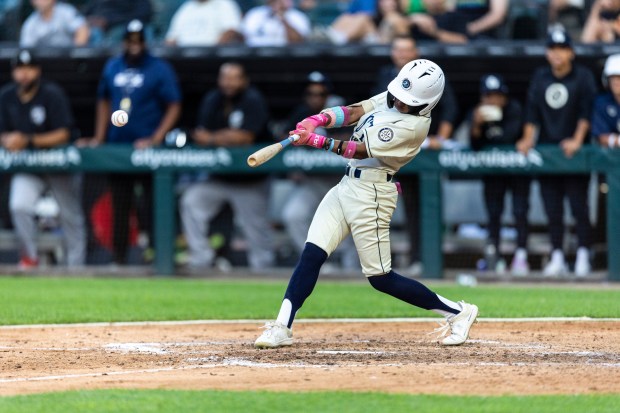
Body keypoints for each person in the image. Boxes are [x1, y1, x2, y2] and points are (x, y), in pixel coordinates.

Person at [254, 59, 478, 349]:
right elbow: (355, 111)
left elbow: (358, 151)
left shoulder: (413, 126)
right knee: (311, 254)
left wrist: (317, 141)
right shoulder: (392, 97)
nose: (397, 101)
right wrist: (318, 120)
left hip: (372, 193)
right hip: (346, 185)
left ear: (426, 103)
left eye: (406, 100)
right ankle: (282, 326)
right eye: (398, 94)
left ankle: (458, 312)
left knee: (380, 278)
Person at [77, 20, 181, 265]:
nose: (134, 45)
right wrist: (100, 137)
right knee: (120, 204)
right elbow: (103, 100)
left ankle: (160, 256)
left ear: (145, 42)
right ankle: (119, 258)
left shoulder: (159, 68)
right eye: (130, 40)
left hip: (148, 149)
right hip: (118, 146)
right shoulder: (113, 66)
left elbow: (174, 104)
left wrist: (156, 138)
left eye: (138, 40)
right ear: (124, 41)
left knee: (152, 204)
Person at [371, 34, 459, 276]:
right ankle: (411, 256)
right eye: (398, 49)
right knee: (405, 205)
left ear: (415, 52)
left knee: (429, 204)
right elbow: (376, 110)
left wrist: (439, 139)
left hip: (426, 145)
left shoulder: (430, 75)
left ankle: (432, 258)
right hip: (395, 148)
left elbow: (450, 109)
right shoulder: (385, 76)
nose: (402, 54)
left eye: (407, 50)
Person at [179, 62, 276, 271]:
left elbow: (246, 136)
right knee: (191, 201)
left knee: (256, 229)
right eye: (225, 77)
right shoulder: (213, 99)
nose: (228, 82)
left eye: (234, 77)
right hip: (220, 178)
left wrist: (213, 138)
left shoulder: (253, 100)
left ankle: (264, 271)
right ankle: (200, 259)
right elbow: (200, 134)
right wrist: (223, 137)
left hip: (251, 180)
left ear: (244, 80)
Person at [516, 28, 596, 277]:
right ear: (547, 53)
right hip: (548, 151)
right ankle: (557, 255)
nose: (557, 54)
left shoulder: (583, 76)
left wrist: (577, 140)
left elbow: (586, 112)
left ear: (571, 52)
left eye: (562, 49)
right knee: (552, 209)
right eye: (552, 49)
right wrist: (528, 138)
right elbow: (532, 111)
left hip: (574, 153)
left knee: (579, 206)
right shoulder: (540, 76)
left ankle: (583, 254)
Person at [0, 49, 86, 269]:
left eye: (29, 68)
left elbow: (65, 132)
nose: (24, 74)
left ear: (37, 71)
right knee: (19, 205)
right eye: (20, 69)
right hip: (28, 167)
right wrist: (8, 140)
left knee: (70, 215)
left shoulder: (51, 93)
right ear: (14, 72)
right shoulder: (6, 96)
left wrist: (27, 140)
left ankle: (76, 266)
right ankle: (30, 257)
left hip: (58, 164)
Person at [280, 71, 359, 272]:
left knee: (352, 221)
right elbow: (286, 139)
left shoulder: (341, 112)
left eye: (320, 94)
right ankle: (316, 264)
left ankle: (353, 268)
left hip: (343, 180)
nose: (315, 98)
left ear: (327, 95)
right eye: (311, 94)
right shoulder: (300, 113)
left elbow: (356, 136)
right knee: (293, 214)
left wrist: (322, 141)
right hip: (312, 182)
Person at [469, 74, 530, 276]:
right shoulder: (478, 113)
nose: (493, 100)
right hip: (492, 172)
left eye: (497, 96)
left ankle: (521, 255)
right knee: (493, 213)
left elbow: (509, 137)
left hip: (517, 169)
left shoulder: (515, 109)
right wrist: (477, 125)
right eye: (489, 96)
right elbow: (475, 145)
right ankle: (492, 255)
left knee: (520, 212)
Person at [164, 0, 243, 46]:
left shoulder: (224, 3)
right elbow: (171, 39)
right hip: (184, 60)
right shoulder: (186, 8)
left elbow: (231, 31)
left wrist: (213, 51)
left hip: (211, 59)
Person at [240, 0, 312, 47]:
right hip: (254, 56)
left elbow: (297, 41)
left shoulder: (297, 16)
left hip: (286, 58)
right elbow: (244, 37)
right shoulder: (255, 13)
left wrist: (282, 17)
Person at [20, 0, 90, 47]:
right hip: (44, 64)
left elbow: (83, 30)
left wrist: (75, 55)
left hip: (69, 62)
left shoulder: (66, 12)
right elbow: (26, 51)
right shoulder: (30, 24)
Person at [82, 0, 153, 46]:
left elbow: (144, 13)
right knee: (93, 33)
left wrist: (109, 21)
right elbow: (85, 14)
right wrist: (91, 20)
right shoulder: (97, 2)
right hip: (98, 29)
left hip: (123, 26)